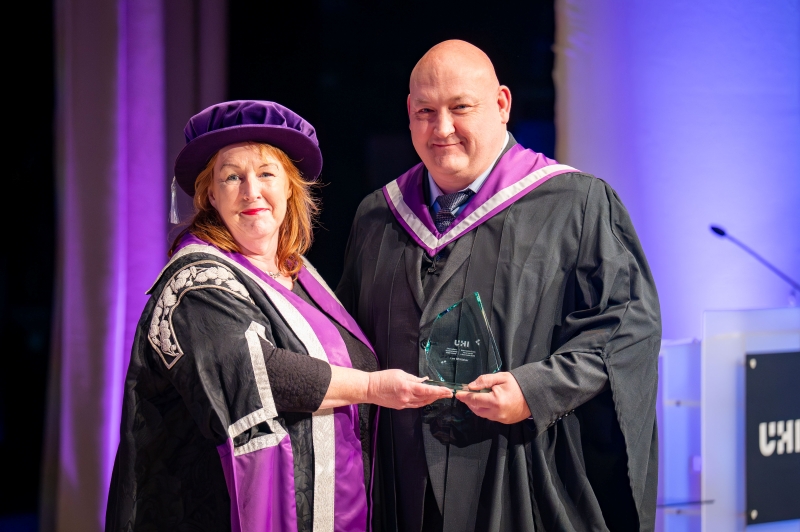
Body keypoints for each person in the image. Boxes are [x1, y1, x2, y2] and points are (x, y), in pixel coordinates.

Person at [337, 41, 662, 532]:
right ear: (409, 113)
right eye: (426, 111)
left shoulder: (575, 204)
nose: (442, 128)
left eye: (460, 108)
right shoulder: (378, 216)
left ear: (502, 104)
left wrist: (535, 390)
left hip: (522, 473)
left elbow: (625, 330)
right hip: (401, 484)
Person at [105, 100, 451, 532]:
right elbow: (255, 370)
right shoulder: (195, 282)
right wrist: (372, 387)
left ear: (290, 187)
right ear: (210, 194)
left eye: (266, 174)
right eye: (232, 176)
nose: (252, 191)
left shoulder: (300, 274)